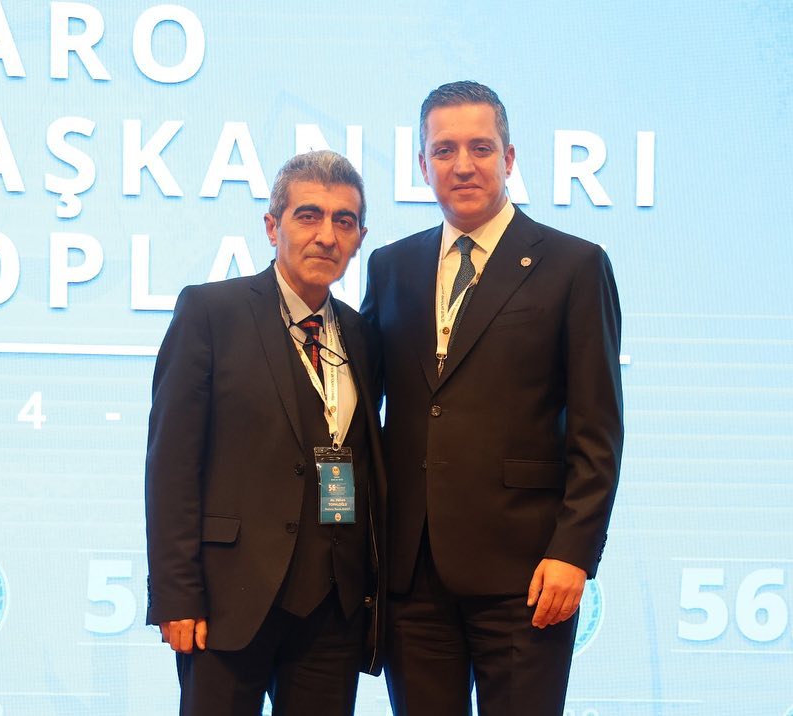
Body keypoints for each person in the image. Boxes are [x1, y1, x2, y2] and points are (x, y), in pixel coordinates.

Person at [361, 81, 623, 715]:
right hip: (412, 576)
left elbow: (598, 431)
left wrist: (573, 554)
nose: (463, 165)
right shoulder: (391, 266)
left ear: (509, 158)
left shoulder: (574, 266)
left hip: (527, 575)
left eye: (480, 148)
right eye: (444, 150)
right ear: (422, 164)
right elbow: (361, 405)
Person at [145, 149, 386, 716]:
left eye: (344, 221)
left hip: (333, 606)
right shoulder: (211, 312)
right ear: (273, 226)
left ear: (359, 238)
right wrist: (177, 594)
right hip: (227, 600)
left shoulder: (362, 335)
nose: (326, 235)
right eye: (309, 215)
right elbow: (172, 465)